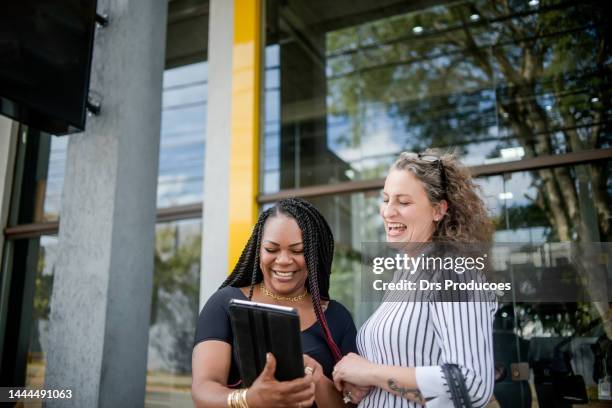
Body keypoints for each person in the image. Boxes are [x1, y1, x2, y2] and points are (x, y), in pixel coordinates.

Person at [332, 151, 498, 408]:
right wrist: (365, 382)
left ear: (438, 210)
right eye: (386, 200)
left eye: (403, 202)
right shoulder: (407, 273)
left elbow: (471, 384)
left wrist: (371, 372)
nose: (388, 212)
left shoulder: (452, 272)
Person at [192, 198, 358, 408]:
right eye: (271, 249)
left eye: (297, 251)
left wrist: (315, 377)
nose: (283, 260)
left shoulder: (336, 317)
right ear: (258, 250)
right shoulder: (225, 303)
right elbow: (203, 391)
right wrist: (250, 399)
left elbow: (350, 404)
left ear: (314, 255)